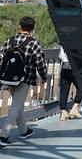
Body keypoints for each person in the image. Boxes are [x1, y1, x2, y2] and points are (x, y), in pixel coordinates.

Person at [0, 16, 47, 147]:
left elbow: (1, 57)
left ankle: (24, 131)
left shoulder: (10, 40)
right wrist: (44, 77)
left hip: (9, 78)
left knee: (17, 105)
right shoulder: (33, 43)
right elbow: (40, 61)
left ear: (19, 26)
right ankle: (3, 136)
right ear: (32, 28)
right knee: (16, 106)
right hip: (25, 78)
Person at [58, 47, 82, 121]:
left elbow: (60, 55)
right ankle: (74, 108)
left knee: (64, 90)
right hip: (76, 66)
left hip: (65, 67)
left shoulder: (64, 43)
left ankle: (63, 111)